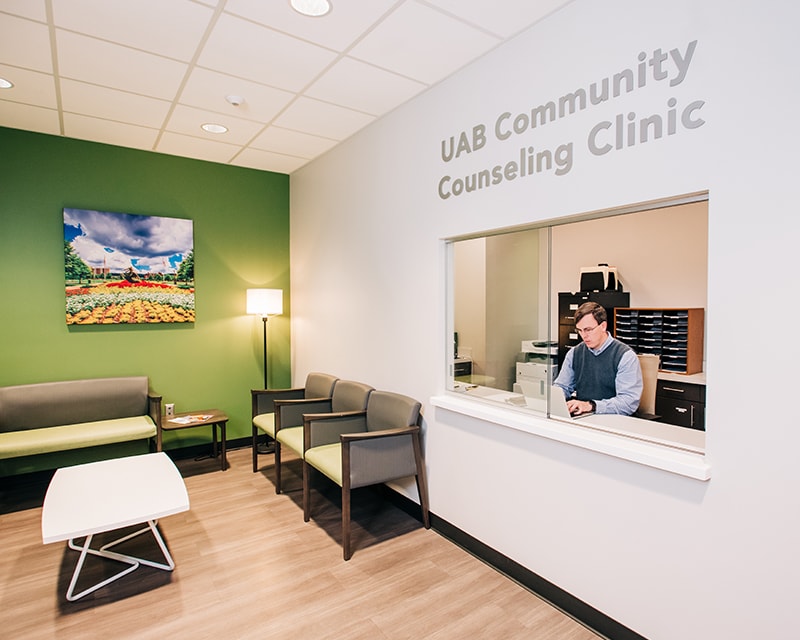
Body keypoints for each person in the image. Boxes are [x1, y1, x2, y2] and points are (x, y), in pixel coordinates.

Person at [554, 301, 642, 416]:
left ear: (603, 326)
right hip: (584, 418)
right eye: (579, 330)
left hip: (614, 421)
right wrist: (551, 398)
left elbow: (628, 403)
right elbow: (563, 386)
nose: (584, 336)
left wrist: (591, 406)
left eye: (588, 330)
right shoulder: (574, 353)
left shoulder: (625, 356)